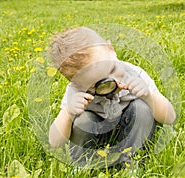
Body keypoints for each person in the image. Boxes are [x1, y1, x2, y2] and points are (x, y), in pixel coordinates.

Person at [48, 26, 176, 168]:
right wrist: (68, 112)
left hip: (129, 124)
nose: (112, 82)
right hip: (96, 131)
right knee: (82, 120)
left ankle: (132, 161)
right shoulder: (77, 91)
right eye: (98, 84)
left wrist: (148, 96)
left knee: (142, 109)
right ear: (77, 84)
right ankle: (82, 164)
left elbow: (170, 118)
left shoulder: (135, 74)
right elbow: (54, 142)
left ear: (111, 49)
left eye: (113, 69)